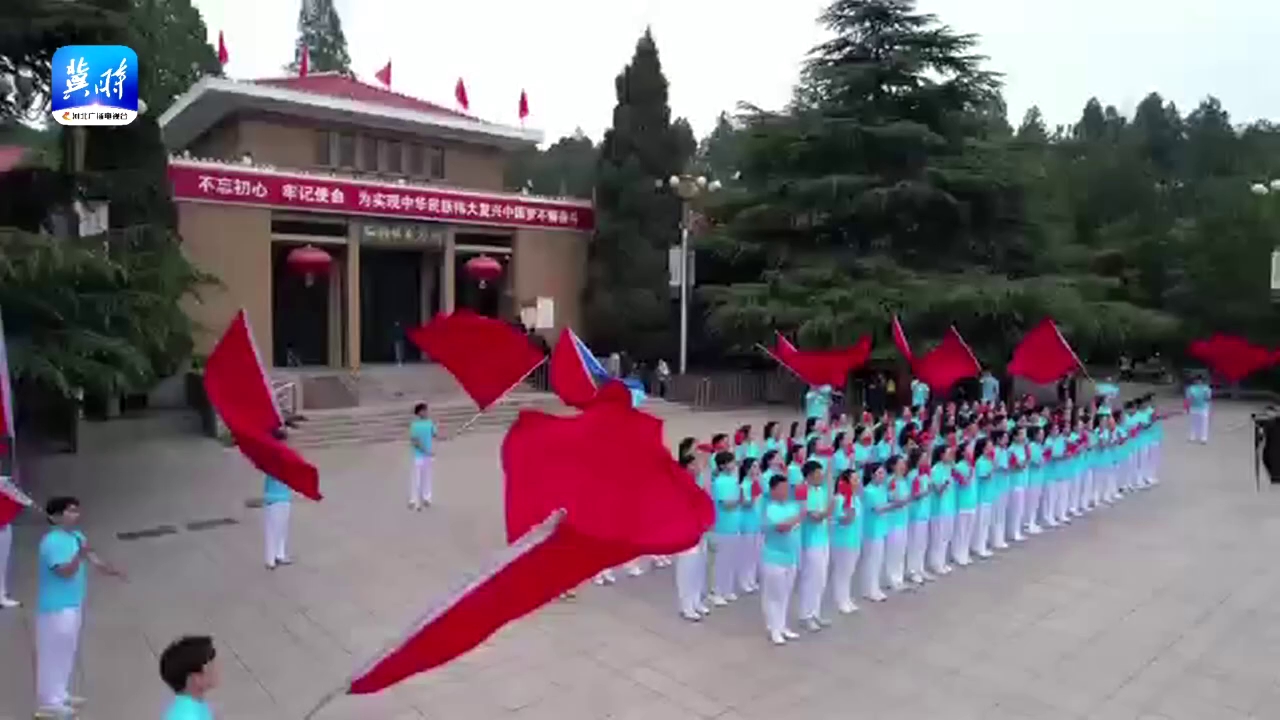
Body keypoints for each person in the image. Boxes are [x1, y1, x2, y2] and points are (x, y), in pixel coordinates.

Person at [36, 496, 125, 718]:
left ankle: (60, 693)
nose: (75, 515)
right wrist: (79, 555)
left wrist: (113, 570)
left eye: (76, 510)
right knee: (52, 653)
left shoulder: (77, 536)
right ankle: (49, 702)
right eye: (70, 511)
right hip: (54, 608)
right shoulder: (50, 542)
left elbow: (94, 560)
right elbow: (64, 572)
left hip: (74, 603)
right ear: (56, 516)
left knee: (68, 650)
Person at [760, 474, 802, 645]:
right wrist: (799, 517)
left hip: (790, 557)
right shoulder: (769, 509)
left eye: (787, 488)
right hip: (773, 557)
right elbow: (782, 527)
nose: (785, 491)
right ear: (773, 490)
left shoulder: (792, 506)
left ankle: (782, 626)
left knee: (785, 594)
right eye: (781, 488)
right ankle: (774, 629)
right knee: (774, 596)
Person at [796, 460, 833, 631]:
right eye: (818, 474)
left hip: (823, 539)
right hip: (810, 542)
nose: (821, 477)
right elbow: (814, 517)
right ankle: (805, 615)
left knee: (821, 579)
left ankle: (815, 613)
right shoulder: (803, 492)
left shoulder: (821, 491)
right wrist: (828, 512)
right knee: (810, 578)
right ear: (809, 476)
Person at [675, 454, 709, 621]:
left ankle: (696, 601)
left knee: (699, 568)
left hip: (700, 530)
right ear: (686, 467)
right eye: (693, 464)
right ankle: (686, 606)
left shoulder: (698, 482)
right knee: (687, 570)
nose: (697, 467)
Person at [709, 451, 741, 606]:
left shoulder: (733, 480)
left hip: (734, 525)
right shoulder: (719, 482)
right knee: (721, 561)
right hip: (723, 526)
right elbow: (726, 504)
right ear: (722, 465)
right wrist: (741, 499)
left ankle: (727, 589)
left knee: (731, 560)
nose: (734, 464)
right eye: (730, 462)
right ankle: (716, 592)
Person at [829, 469, 863, 614]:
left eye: (858, 479)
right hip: (842, 542)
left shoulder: (856, 499)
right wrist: (848, 502)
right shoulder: (839, 499)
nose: (858, 482)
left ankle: (847, 598)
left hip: (854, 540)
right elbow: (846, 520)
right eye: (854, 480)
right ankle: (840, 600)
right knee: (842, 571)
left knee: (849, 571)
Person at [159, 635, 218, 720]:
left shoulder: (190, 705)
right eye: (210, 664)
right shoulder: (188, 716)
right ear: (196, 678)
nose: (216, 668)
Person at [263, 427, 295, 570]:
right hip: (272, 497)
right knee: (272, 529)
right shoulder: (269, 457)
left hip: (285, 496)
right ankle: (270, 560)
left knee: (282, 527)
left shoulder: (286, 455)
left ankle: (280, 554)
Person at [409, 402, 437, 511]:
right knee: (416, 478)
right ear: (419, 412)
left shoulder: (430, 423)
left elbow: (435, 434)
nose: (426, 412)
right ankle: (413, 499)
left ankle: (427, 498)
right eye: (424, 410)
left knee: (427, 477)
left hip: (428, 455)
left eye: (426, 410)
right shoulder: (414, 425)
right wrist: (426, 451)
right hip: (418, 456)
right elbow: (415, 441)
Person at [1185, 374, 1211, 444]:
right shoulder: (1191, 388)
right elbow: (1188, 398)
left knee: (1204, 423)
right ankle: (1192, 436)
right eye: (1197, 380)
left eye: (1200, 380)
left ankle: (1203, 438)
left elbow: (1208, 398)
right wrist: (1187, 407)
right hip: (1194, 407)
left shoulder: (1206, 388)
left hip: (1203, 407)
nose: (1198, 381)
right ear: (1194, 381)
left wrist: (1206, 395)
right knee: (1194, 422)